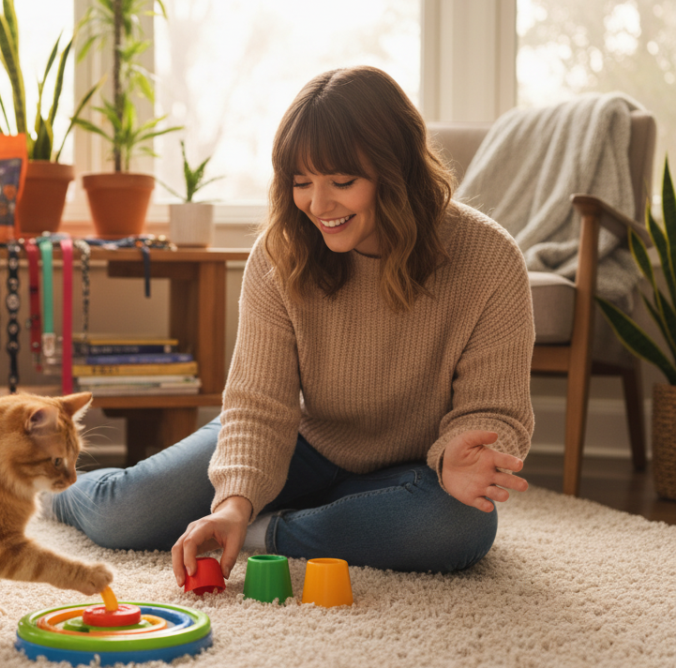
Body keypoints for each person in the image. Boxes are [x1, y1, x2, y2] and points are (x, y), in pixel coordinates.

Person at [49, 65, 534, 586]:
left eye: (342, 182)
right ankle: (53, 492)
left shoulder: (490, 258)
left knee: (459, 528)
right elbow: (260, 404)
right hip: (298, 441)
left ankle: (270, 533)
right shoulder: (280, 253)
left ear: (398, 174)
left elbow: (493, 409)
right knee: (124, 515)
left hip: (415, 465)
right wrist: (234, 502)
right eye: (302, 183)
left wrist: (464, 457)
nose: (318, 206)